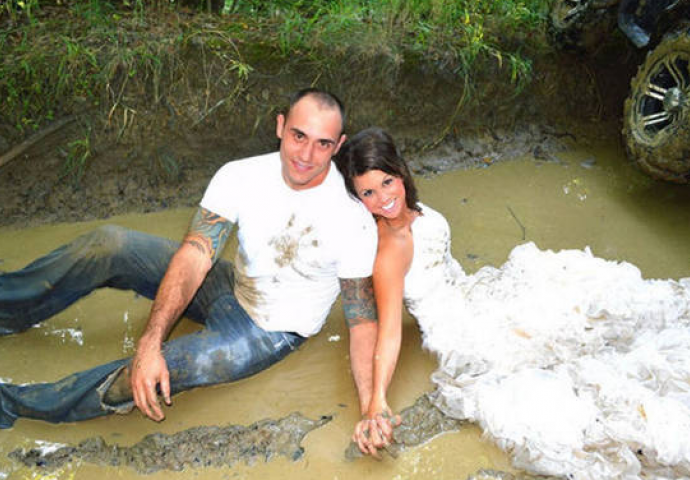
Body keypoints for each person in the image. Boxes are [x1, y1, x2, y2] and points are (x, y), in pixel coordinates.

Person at [0, 88, 380, 431]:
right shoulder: (240, 175)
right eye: (299, 136)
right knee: (109, 243)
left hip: (270, 333)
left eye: (322, 143)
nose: (306, 155)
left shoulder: (351, 217)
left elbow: (361, 322)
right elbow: (197, 253)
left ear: (338, 145)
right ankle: (8, 308)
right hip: (229, 284)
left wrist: (370, 407)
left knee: (159, 371)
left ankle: (15, 405)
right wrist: (150, 340)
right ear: (280, 126)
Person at [336, 127, 690, 478]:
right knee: (557, 378)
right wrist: (375, 403)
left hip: (475, 293)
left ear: (401, 171)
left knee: (585, 313)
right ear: (356, 197)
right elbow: (390, 331)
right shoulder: (389, 253)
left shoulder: (413, 210)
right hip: (458, 328)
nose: (382, 198)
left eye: (387, 182)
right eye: (367, 192)